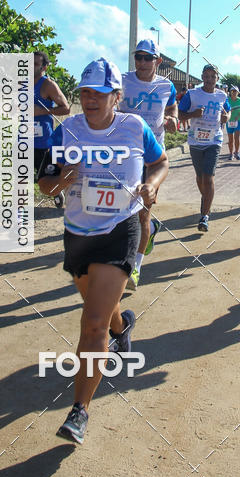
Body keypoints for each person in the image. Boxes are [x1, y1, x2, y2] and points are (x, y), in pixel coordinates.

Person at [38, 58, 169, 444]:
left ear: (116, 96)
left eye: (98, 93)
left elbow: (160, 162)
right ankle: (123, 324)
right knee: (102, 309)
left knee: (91, 322)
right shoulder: (68, 131)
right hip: (78, 233)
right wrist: (61, 180)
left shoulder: (134, 127)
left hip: (120, 228)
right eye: (84, 93)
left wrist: (153, 185)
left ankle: (79, 411)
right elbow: (45, 185)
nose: (89, 99)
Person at [119, 39, 178, 288]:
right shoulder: (122, 80)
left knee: (143, 211)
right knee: (123, 211)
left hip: (153, 157)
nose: (142, 62)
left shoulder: (167, 85)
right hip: (124, 155)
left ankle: (135, 268)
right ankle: (151, 230)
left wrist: (172, 118)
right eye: (138, 57)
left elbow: (173, 106)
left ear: (158, 61)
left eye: (147, 57)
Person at [178, 64, 229, 231]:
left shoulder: (222, 95)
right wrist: (193, 114)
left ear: (217, 79)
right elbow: (180, 114)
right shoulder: (192, 94)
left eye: (212, 76)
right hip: (195, 141)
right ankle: (207, 198)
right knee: (200, 178)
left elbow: (226, 113)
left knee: (208, 177)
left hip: (214, 141)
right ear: (202, 77)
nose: (209, 79)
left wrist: (225, 117)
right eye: (206, 76)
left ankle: (204, 216)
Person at [33, 51, 70, 207]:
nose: (31, 67)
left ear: (44, 67)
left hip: (43, 142)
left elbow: (66, 108)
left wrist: (43, 111)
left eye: (35, 64)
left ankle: (56, 192)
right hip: (22, 139)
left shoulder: (48, 85)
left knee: (45, 177)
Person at [225, 86, 240, 160]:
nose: (234, 93)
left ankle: (236, 152)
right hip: (230, 121)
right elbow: (223, 108)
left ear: (238, 93)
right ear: (230, 92)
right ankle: (231, 153)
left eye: (235, 91)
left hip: (238, 121)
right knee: (230, 139)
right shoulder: (227, 100)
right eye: (232, 91)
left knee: (237, 137)